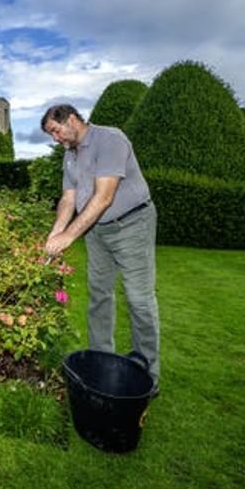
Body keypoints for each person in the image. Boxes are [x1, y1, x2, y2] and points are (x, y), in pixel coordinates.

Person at [41, 104, 160, 395]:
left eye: (56, 131)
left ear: (71, 120)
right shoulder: (70, 155)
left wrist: (69, 236)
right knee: (99, 296)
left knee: (139, 299)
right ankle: (100, 363)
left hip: (132, 224)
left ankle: (148, 374)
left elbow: (104, 197)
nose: (55, 138)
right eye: (51, 135)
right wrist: (55, 233)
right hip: (97, 231)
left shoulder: (110, 139)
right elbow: (68, 199)